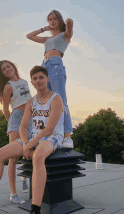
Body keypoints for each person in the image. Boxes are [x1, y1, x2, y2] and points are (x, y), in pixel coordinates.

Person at [0, 66, 64, 214]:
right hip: (32, 135)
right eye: (35, 78)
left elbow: (49, 129)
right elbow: (23, 128)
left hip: (52, 136)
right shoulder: (31, 101)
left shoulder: (56, 99)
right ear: (31, 81)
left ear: (47, 79)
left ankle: (35, 209)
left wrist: (28, 146)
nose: (38, 81)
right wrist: (25, 144)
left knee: (38, 157)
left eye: (41, 77)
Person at [26, 10, 74, 148]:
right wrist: (44, 29)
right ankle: (48, 132)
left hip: (56, 65)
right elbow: (29, 36)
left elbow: (70, 22)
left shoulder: (65, 35)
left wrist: (64, 23)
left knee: (60, 99)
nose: (52, 21)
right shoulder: (47, 39)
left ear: (59, 20)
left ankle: (67, 136)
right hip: (44, 66)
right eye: (49, 19)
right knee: (45, 100)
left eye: (54, 19)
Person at [0, 60, 32, 204]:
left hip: (30, 118)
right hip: (16, 118)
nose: (7, 69)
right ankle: (13, 194)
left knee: (29, 150)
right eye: (4, 69)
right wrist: (12, 124)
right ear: (2, 73)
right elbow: (5, 109)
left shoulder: (25, 81)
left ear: (14, 67)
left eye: (8, 66)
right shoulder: (8, 87)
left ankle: (25, 178)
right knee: (13, 157)